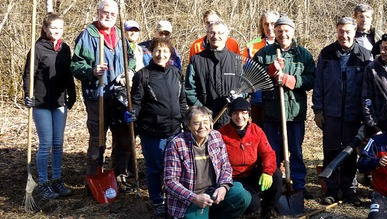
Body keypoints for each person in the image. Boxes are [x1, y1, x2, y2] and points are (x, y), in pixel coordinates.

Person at [70, 0, 136, 193]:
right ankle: (93, 177)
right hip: (96, 97)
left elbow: (130, 59)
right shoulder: (87, 36)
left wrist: (129, 73)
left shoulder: (120, 37)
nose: (108, 16)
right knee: (97, 138)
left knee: (123, 138)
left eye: (112, 14)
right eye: (105, 12)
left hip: (118, 96)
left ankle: (119, 177)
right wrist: (92, 70)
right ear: (98, 12)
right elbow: (76, 65)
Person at [252, 14, 316, 198]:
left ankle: (298, 185)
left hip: (295, 111)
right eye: (279, 31)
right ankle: (275, 186)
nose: (283, 34)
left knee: (295, 149)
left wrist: (289, 80)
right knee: (272, 150)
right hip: (271, 111)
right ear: (275, 32)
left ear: (293, 31)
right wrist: (270, 71)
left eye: (286, 30)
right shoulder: (264, 54)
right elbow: (254, 80)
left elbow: (312, 79)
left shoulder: (303, 55)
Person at [312, 17, 372, 206]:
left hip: (353, 114)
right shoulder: (327, 53)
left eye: (348, 31)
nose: (344, 35)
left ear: (355, 33)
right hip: (331, 112)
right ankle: (330, 189)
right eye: (341, 31)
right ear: (336, 31)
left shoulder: (364, 55)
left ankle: (348, 190)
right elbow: (318, 83)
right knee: (330, 150)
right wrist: (318, 109)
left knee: (349, 152)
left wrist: (365, 114)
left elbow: (368, 88)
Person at [126, 37, 188, 217]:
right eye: (158, 51)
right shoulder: (143, 75)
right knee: (154, 168)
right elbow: (136, 101)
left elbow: (182, 100)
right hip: (152, 132)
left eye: (165, 52)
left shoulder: (175, 73)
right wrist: (133, 113)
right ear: (151, 53)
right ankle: (157, 200)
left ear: (170, 54)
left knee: (174, 168)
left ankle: (173, 197)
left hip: (175, 130)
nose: (161, 55)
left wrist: (185, 120)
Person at [22, 13, 76, 200]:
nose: (56, 31)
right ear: (45, 28)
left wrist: (72, 92)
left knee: (58, 143)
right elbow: (29, 74)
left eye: (60, 28)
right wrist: (28, 95)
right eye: (53, 28)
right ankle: (43, 182)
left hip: (59, 101)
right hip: (41, 101)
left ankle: (57, 179)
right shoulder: (37, 48)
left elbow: (68, 74)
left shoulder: (65, 48)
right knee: (46, 143)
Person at [164, 106, 251, 218]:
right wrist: (194, 198)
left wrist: (223, 187)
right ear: (188, 126)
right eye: (196, 123)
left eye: (205, 122)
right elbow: (170, 181)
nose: (202, 127)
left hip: (213, 191)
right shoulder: (177, 144)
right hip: (190, 198)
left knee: (243, 196)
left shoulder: (216, 136)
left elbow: (226, 166)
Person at [219, 98, 282, 219]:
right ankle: (248, 210)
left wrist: (267, 171)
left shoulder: (256, 130)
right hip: (235, 178)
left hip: (252, 173)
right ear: (230, 115)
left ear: (249, 114)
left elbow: (268, 153)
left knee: (276, 175)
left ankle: (268, 211)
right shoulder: (222, 134)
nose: (240, 117)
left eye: (244, 113)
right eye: (235, 113)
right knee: (254, 205)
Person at [185, 21, 243, 129]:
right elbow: (189, 90)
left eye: (220, 33)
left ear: (226, 36)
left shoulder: (237, 60)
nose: (216, 36)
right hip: (205, 122)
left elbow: (244, 88)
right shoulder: (196, 60)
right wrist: (202, 112)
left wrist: (238, 98)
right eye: (212, 33)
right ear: (207, 34)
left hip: (231, 120)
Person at [241, 9, 280, 128]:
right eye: (266, 24)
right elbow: (244, 74)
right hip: (258, 100)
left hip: (280, 99)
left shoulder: (286, 44)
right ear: (262, 27)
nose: (269, 27)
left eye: (273, 24)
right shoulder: (251, 47)